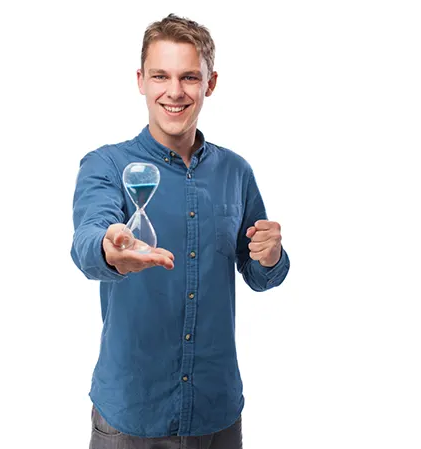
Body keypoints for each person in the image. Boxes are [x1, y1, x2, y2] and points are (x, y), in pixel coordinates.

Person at [70, 13, 291, 449]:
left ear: (210, 83)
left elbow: (260, 274)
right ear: (141, 81)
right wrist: (109, 249)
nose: (174, 91)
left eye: (189, 77)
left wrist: (270, 256)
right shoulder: (108, 165)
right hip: (133, 412)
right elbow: (87, 239)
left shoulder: (235, 171)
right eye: (160, 76)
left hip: (216, 410)